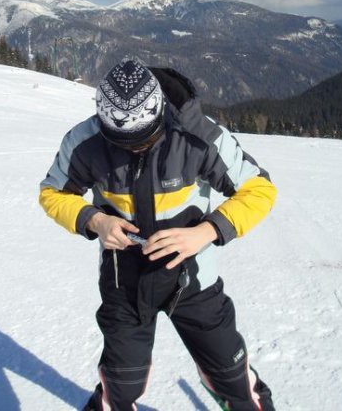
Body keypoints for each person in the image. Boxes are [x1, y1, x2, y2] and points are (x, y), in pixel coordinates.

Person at [39, 59, 278, 410]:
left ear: (160, 114)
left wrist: (205, 232)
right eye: (122, 141)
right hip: (125, 282)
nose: (135, 148)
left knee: (229, 373)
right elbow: (52, 193)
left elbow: (259, 189)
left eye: (144, 138)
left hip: (194, 280)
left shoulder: (198, 135)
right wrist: (95, 221)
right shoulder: (85, 142)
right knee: (121, 384)